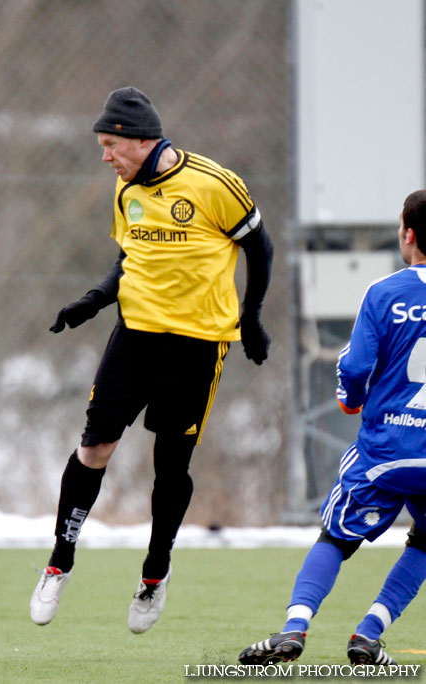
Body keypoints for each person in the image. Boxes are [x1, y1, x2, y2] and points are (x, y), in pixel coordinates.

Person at [30, 86, 274, 633]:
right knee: (94, 447)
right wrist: (95, 300)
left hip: (197, 343)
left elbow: (261, 249)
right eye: (102, 145)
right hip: (134, 335)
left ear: (143, 140)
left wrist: (250, 317)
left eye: (111, 144)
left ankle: (155, 571)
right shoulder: (124, 191)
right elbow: (131, 257)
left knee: (171, 465)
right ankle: (59, 560)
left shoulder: (215, 185)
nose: (105, 156)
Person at [239, 190, 426, 665]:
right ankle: (367, 634)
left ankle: (294, 629)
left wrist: (351, 401)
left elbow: (356, 365)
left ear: (408, 233)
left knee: (336, 539)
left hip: (384, 451)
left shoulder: (385, 293)